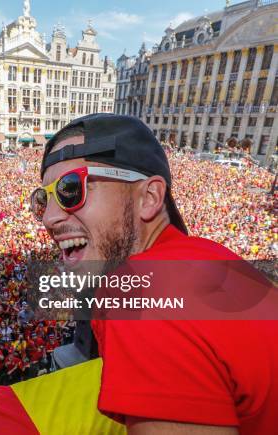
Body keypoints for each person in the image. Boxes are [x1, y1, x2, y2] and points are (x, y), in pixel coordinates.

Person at [33, 113, 278, 434]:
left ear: (148, 198)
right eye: (42, 199)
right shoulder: (211, 256)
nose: (49, 217)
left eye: (71, 187)